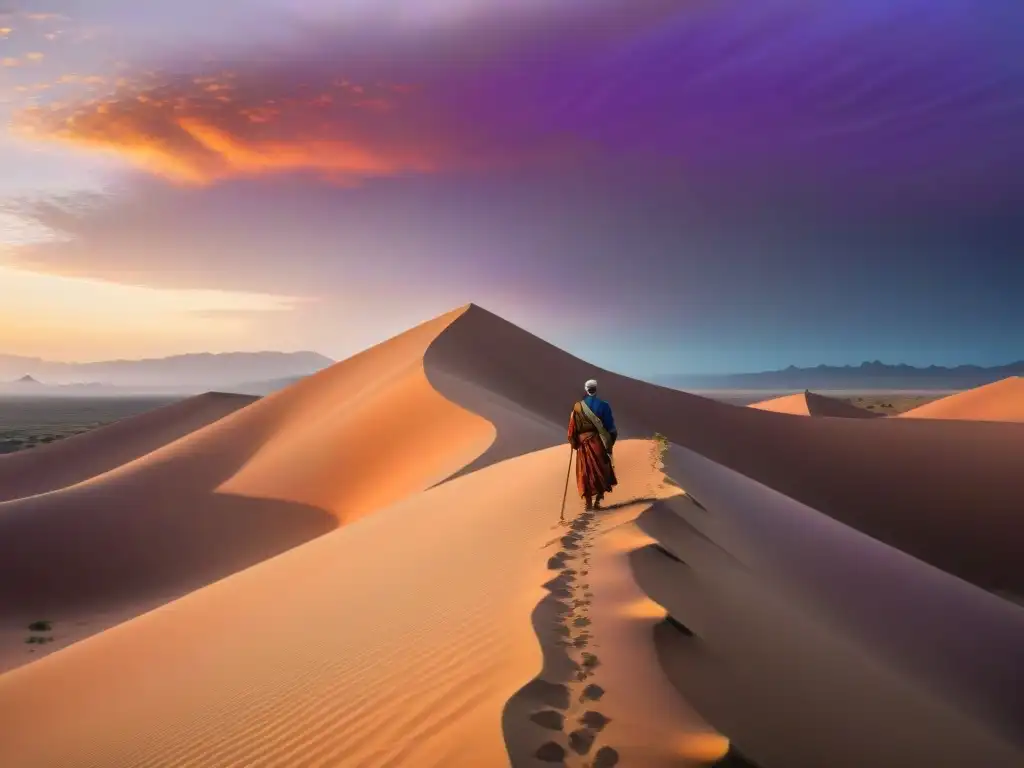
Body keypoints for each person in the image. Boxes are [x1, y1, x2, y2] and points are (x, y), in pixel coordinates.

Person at [567, 379, 618, 510]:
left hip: (582, 445)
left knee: (585, 472)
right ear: (596, 389)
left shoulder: (577, 407)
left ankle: (588, 502)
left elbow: (572, 429)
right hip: (597, 443)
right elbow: (610, 427)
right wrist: (610, 442)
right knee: (602, 470)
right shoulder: (603, 405)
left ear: (586, 389)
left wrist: (574, 442)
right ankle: (597, 501)